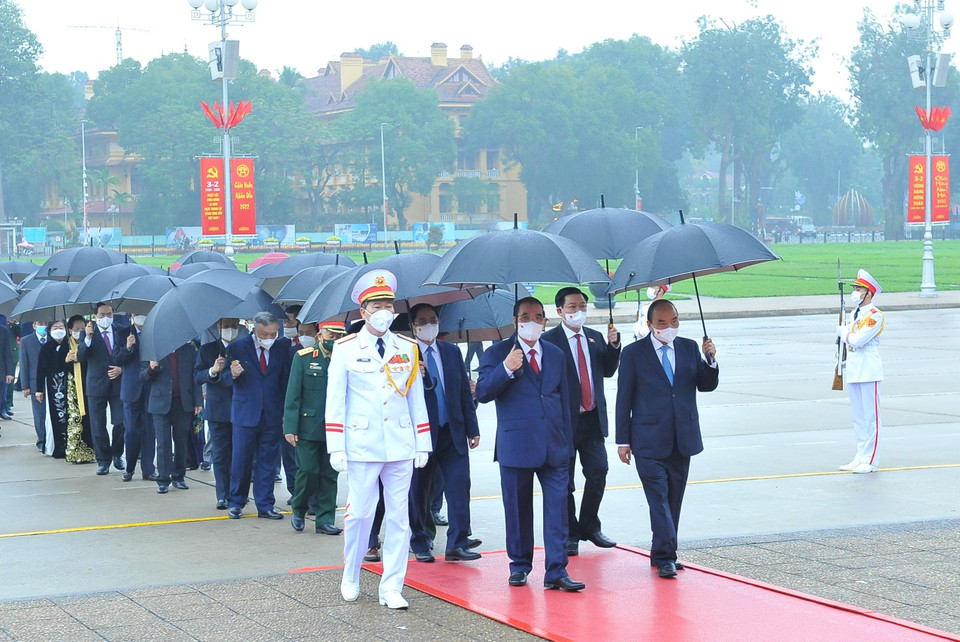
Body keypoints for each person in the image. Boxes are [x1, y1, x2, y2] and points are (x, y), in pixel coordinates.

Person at [324, 269, 431, 609]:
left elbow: (416, 399)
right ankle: (351, 573)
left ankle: (391, 586)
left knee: (400, 517)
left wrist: (423, 441)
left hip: (400, 443)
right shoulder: (345, 349)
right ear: (362, 311)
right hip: (362, 444)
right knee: (360, 515)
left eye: (388, 304)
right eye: (376, 305)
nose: (384, 310)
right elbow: (335, 401)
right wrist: (336, 446)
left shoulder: (407, 347)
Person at [475, 296, 585, 592]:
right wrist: (507, 369)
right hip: (516, 445)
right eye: (526, 316)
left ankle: (557, 571)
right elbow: (483, 392)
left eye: (538, 317)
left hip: (554, 444)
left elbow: (565, 398)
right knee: (518, 509)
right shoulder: (498, 352)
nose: (532, 322)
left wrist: (567, 441)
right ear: (515, 320)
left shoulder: (555, 353)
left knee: (558, 510)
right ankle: (520, 565)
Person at [615, 299, 718, 579]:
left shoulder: (687, 347)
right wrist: (622, 440)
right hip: (647, 439)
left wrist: (711, 360)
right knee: (658, 499)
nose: (669, 327)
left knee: (673, 499)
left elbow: (705, 385)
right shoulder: (634, 353)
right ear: (650, 325)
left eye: (674, 321)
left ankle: (661, 550)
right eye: (662, 323)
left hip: (682, 437)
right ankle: (666, 557)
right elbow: (623, 399)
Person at [542, 287, 620, 556]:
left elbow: (607, 371)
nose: (579, 311)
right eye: (573, 307)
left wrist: (614, 346)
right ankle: (570, 533)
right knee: (565, 482)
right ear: (560, 311)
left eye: (583, 306)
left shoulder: (595, 337)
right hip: (564, 422)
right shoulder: (549, 341)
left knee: (599, 471)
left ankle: (590, 525)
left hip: (592, 419)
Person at [408, 303, 482, 563]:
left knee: (459, 486)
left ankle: (457, 542)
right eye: (422, 321)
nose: (428, 325)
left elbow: (463, 392)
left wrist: (473, 428)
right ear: (413, 326)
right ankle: (420, 541)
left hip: (452, 430)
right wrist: (414, 374)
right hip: (422, 434)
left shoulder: (450, 351)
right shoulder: (406, 354)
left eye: (432, 319)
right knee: (419, 490)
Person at [226, 311, 291, 520]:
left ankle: (265, 505)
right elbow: (224, 380)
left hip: (272, 413)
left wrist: (284, 413)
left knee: (268, 461)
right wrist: (232, 375)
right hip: (245, 413)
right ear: (254, 330)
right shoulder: (237, 347)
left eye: (274, 333)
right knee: (241, 460)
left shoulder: (282, 347)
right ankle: (236, 502)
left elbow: (284, 381)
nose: (270, 338)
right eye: (265, 334)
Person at [284, 320, 344, 535]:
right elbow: (293, 394)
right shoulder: (304, 358)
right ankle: (299, 509)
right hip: (309, 425)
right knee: (308, 471)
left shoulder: (346, 359)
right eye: (331, 337)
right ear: (320, 336)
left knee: (330, 474)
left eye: (339, 337)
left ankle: (325, 519)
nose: (334, 341)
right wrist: (290, 427)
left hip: (336, 427)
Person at [837, 269, 885, 474]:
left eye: (859, 289)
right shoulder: (855, 314)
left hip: (869, 369)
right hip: (855, 368)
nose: (855, 292)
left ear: (869, 293)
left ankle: (871, 459)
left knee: (871, 418)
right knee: (858, 417)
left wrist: (844, 332)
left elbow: (858, 339)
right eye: (855, 288)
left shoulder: (876, 316)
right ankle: (860, 455)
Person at [142, 342, 203, 494]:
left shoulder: (188, 349)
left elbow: (194, 376)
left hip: (183, 403)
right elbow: (141, 377)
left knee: (181, 441)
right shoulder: (154, 349)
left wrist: (198, 401)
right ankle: (163, 479)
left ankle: (179, 477)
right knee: (163, 442)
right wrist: (151, 369)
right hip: (160, 403)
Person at [78, 302, 129, 475]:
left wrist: (121, 369)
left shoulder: (122, 330)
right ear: (95, 316)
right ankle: (103, 460)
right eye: (102, 315)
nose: (105, 318)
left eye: (109, 314)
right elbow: (81, 356)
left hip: (118, 383)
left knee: (120, 422)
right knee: (98, 424)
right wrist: (88, 338)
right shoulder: (87, 333)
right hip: (96, 385)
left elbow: (129, 355)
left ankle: (117, 454)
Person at [195, 318, 240, 510]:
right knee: (220, 455)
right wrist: (213, 371)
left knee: (239, 455)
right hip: (217, 410)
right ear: (219, 328)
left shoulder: (244, 348)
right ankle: (222, 495)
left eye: (234, 326)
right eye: (226, 326)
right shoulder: (207, 349)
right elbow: (197, 376)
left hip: (241, 409)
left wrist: (233, 373)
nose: (230, 330)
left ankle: (238, 494)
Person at [117, 314, 156, 482]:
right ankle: (130, 468)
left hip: (150, 385)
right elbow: (116, 359)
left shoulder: (154, 332)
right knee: (132, 430)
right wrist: (128, 347)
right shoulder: (123, 333)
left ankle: (148, 469)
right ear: (132, 316)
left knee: (149, 430)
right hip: (131, 388)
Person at [34, 321, 70, 458]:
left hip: (70, 384)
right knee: (56, 414)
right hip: (53, 385)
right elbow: (40, 370)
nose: (58, 330)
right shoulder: (47, 347)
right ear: (49, 331)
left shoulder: (70, 345)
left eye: (61, 327)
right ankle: (58, 447)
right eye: (55, 328)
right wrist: (39, 390)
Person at [64, 316, 96, 463]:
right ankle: (77, 452)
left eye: (82, 329)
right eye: (76, 329)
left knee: (91, 419)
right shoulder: (66, 345)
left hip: (89, 385)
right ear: (70, 330)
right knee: (76, 420)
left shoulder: (89, 342)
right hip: (73, 388)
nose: (79, 332)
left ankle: (92, 451)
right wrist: (67, 360)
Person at [19, 320, 48, 451]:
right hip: (35, 383)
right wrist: (25, 386)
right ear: (34, 326)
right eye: (40, 323)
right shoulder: (26, 341)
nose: (43, 326)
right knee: (40, 414)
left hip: (52, 381)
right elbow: (24, 365)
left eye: (45, 323)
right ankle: (42, 441)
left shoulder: (53, 338)